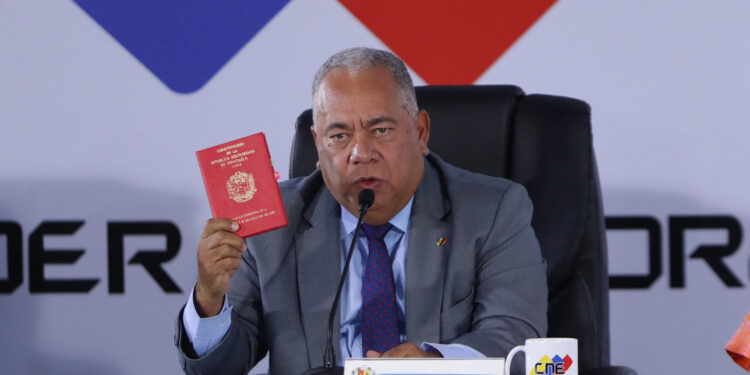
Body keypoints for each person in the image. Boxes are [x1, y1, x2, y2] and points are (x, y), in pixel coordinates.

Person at [175, 47, 548, 374]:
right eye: (339, 136)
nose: (360, 153)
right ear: (318, 147)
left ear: (420, 133)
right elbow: (217, 370)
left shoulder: (494, 209)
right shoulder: (272, 223)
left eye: (380, 130)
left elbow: (516, 336)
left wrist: (436, 363)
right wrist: (209, 299)